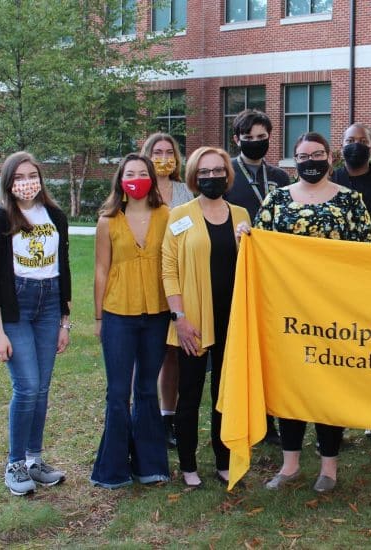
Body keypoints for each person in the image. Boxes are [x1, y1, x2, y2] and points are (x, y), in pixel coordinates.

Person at [248, 132, 371, 493]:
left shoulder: (350, 201)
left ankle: (329, 467)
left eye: (317, 154)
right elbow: (259, 243)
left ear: (329, 158)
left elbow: (365, 252)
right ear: (294, 159)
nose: (310, 161)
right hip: (287, 309)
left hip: (334, 309)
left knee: (328, 385)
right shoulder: (277, 199)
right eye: (303, 155)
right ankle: (290, 464)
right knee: (291, 385)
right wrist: (246, 235)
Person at [0, 151, 72, 496]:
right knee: (28, 387)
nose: (26, 183)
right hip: (15, 307)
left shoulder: (55, 216)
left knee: (43, 388)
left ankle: (34, 460)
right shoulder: (0, 218)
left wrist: (65, 321)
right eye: (18, 177)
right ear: (8, 182)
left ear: (41, 179)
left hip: (49, 305)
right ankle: (15, 463)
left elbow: (63, 268)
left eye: (31, 175)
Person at [162, 146, 252, 488]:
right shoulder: (180, 215)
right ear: (194, 176)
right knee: (190, 393)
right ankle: (188, 464)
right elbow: (168, 269)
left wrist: (250, 241)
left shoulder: (242, 214)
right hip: (194, 321)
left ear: (227, 174)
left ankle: (224, 459)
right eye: (205, 172)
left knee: (224, 395)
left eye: (218, 171)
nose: (212, 177)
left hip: (233, 318)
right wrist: (179, 318)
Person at [90, 154, 171, 489]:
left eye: (142, 173)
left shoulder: (166, 215)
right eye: (130, 173)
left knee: (147, 390)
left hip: (156, 313)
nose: (136, 178)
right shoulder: (108, 220)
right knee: (118, 391)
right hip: (118, 314)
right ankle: (112, 469)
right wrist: (98, 317)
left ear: (151, 178)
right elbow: (101, 269)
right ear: (120, 179)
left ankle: (150, 465)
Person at [220, 109, 287, 444]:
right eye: (250, 138)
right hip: (235, 271)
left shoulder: (280, 176)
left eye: (263, 138)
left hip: (272, 275)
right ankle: (235, 417)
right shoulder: (227, 174)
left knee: (271, 348)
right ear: (237, 139)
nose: (257, 143)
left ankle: (270, 420)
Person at [141, 132, 193, 449]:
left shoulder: (185, 191)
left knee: (172, 352)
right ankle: (143, 417)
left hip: (178, 279)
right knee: (148, 351)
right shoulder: (137, 191)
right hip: (146, 279)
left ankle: (167, 416)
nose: (163, 157)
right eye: (157, 152)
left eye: (168, 152)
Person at [223, 109, 291, 220]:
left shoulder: (281, 177)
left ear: (269, 136)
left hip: (268, 237)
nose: (255, 141)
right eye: (248, 137)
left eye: (261, 137)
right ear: (237, 140)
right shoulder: (223, 172)